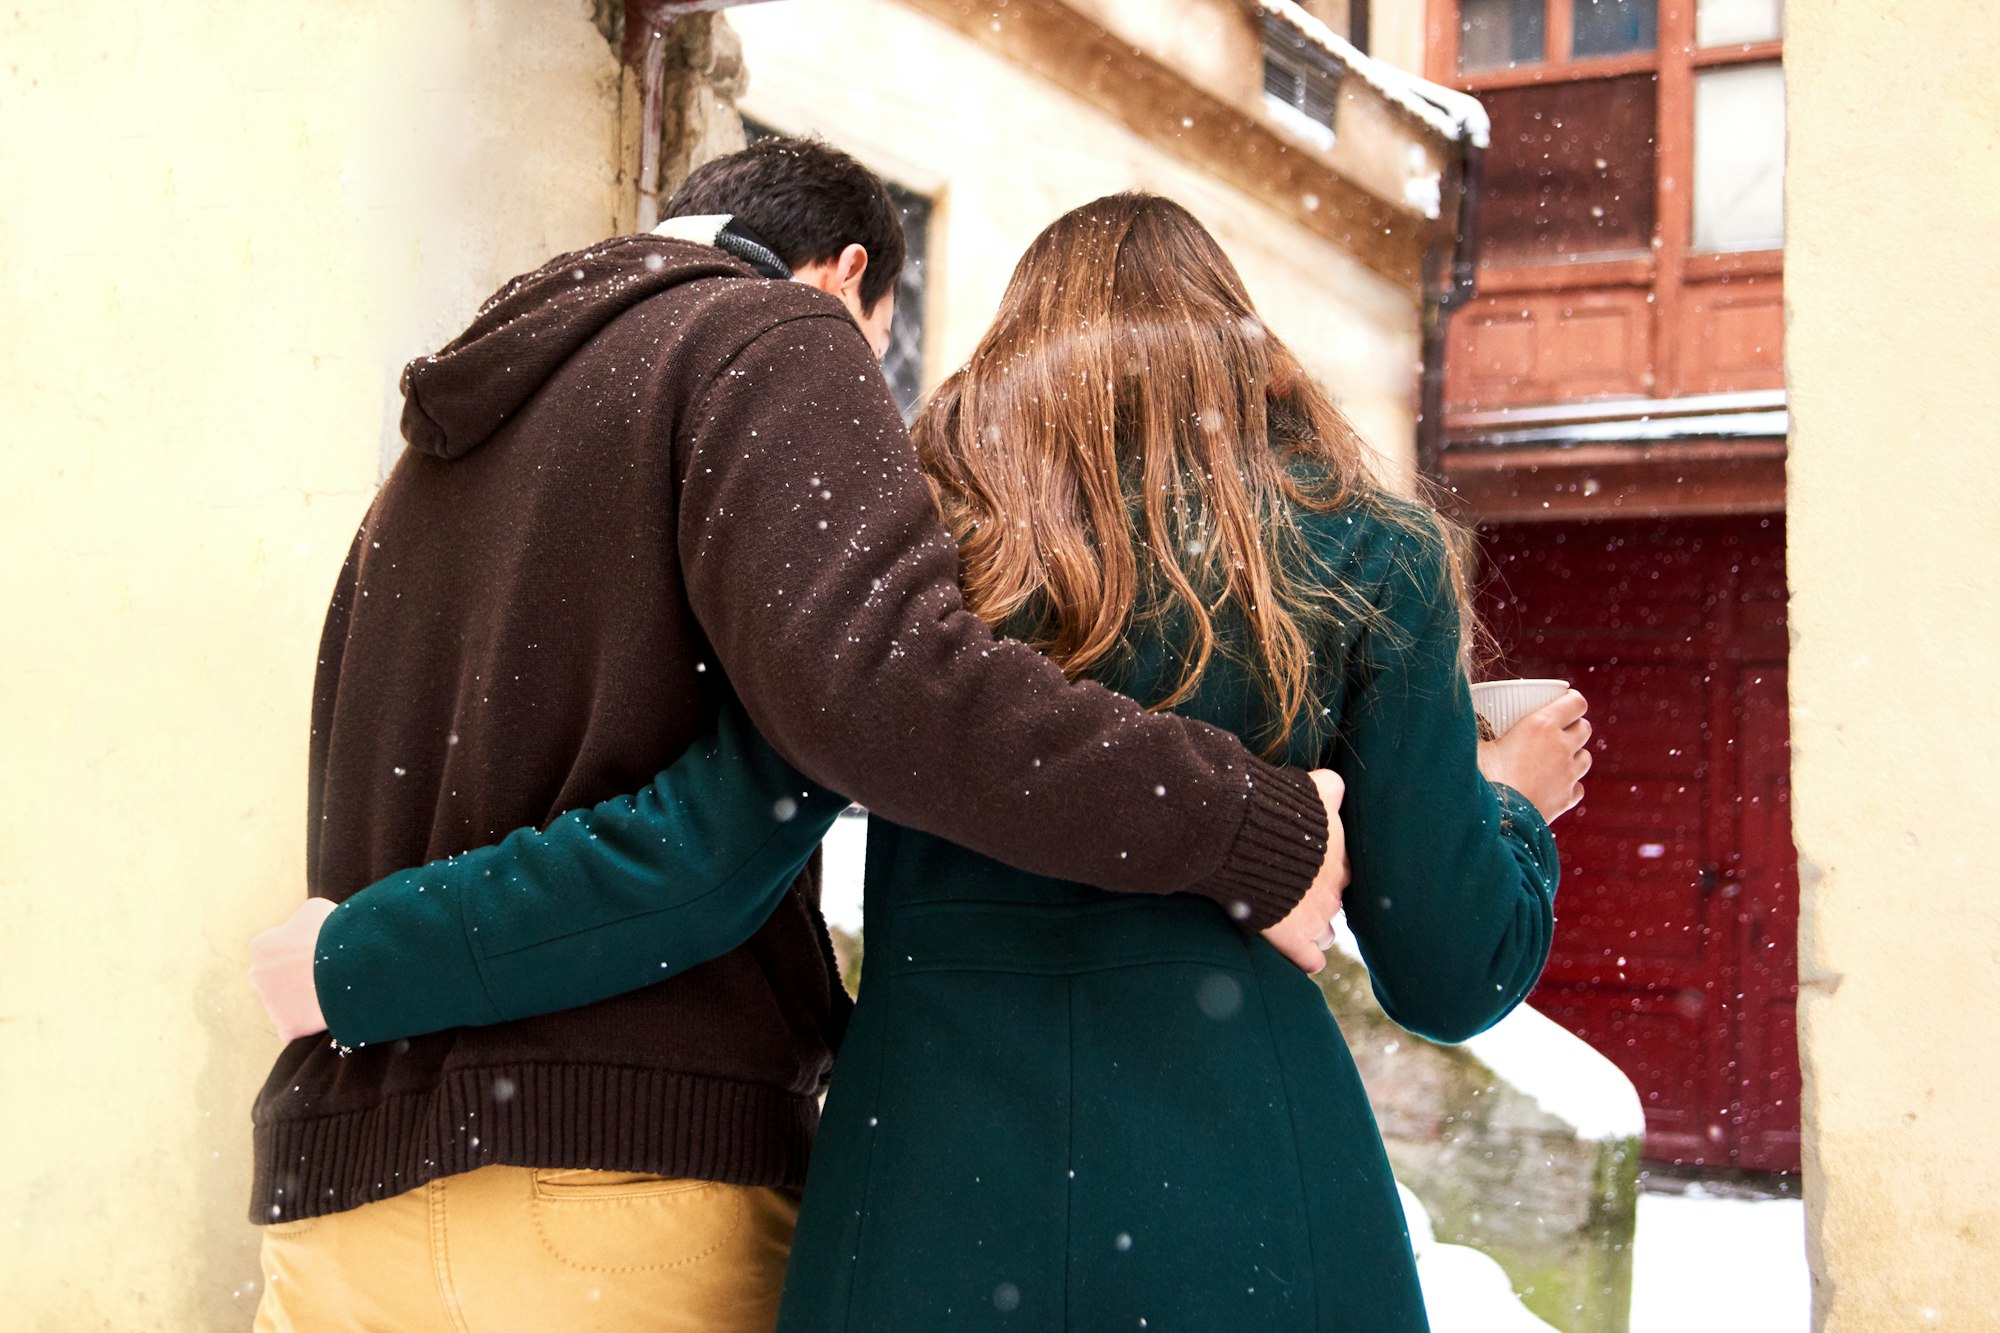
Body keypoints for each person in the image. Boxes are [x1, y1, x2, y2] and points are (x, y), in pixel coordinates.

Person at [251, 192, 1590, 1330]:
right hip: (1255, 1202)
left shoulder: (920, 566)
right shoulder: (1366, 556)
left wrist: (365, 955)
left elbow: (709, 846)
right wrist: (1510, 811)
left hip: (924, 1204)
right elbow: (1446, 960)